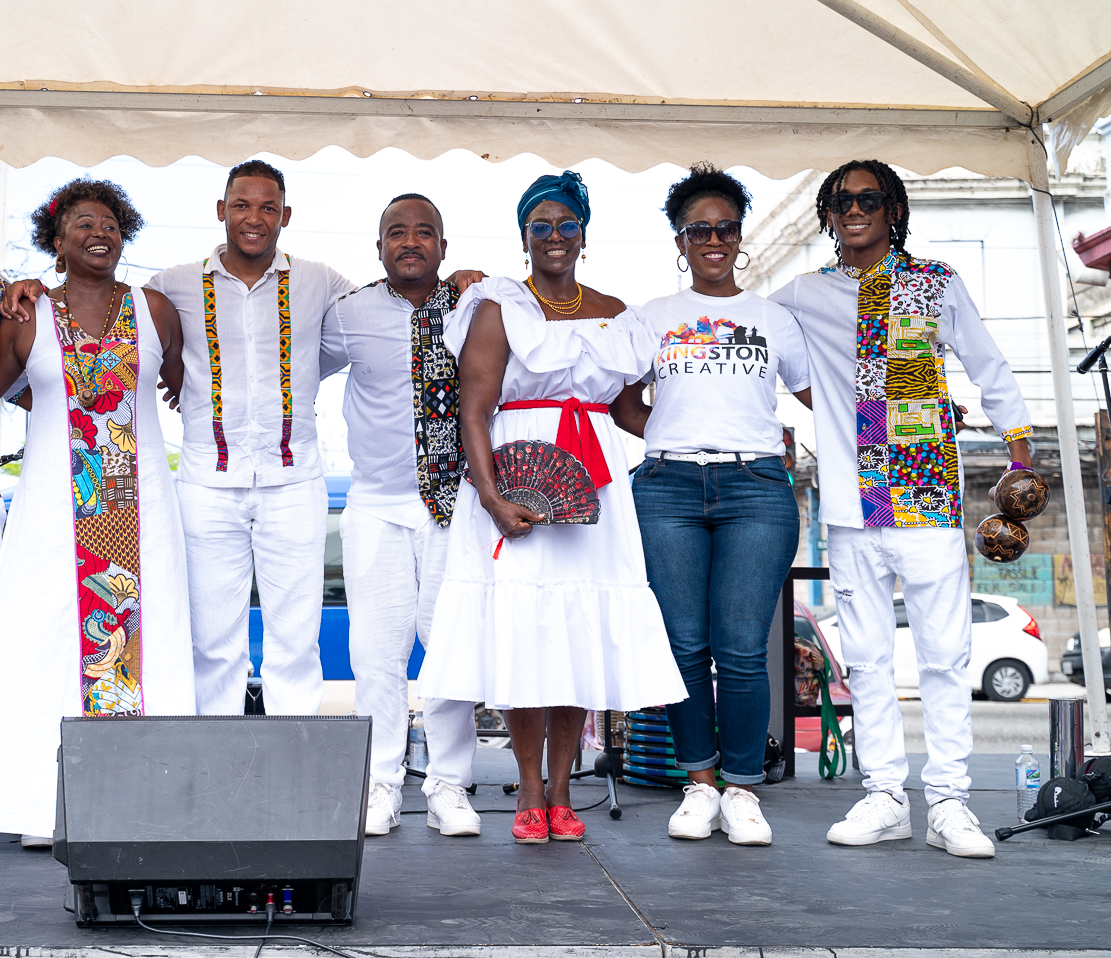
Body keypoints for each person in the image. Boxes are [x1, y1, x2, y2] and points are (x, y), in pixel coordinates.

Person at [5, 161, 353, 716]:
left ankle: (293, 783)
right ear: (221, 211)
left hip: (295, 481)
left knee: (296, 644)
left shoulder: (322, 282)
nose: (254, 218)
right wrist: (33, 287)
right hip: (205, 486)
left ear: (286, 215)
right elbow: (107, 330)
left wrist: (456, 282)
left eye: (268, 207)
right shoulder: (169, 287)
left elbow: (375, 321)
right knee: (211, 645)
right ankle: (213, 781)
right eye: (241, 205)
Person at [769, 159, 1033, 859]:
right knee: (865, 658)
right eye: (838, 199)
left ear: (891, 208)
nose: (851, 208)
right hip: (852, 508)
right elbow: (756, 336)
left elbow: (989, 366)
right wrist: (829, 414)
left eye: (866, 197)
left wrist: (1019, 456)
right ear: (826, 214)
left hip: (925, 497)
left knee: (946, 655)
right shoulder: (802, 293)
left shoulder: (934, 282)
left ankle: (948, 802)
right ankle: (883, 795)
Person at [418, 172, 688, 845]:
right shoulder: (495, 307)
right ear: (523, 237)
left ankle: (563, 792)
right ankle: (528, 792)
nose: (555, 237)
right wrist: (490, 496)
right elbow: (475, 409)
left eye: (566, 224)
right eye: (540, 226)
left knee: (576, 641)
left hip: (592, 483)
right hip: (514, 477)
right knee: (524, 637)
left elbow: (629, 413)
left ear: (584, 234)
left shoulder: (615, 311)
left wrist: (711, 427)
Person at [0, 179, 196, 846]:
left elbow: (177, 386)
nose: (101, 233)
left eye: (113, 224)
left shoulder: (153, 308)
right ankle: (41, 806)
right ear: (57, 240)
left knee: (145, 645)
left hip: (142, 506)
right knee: (45, 642)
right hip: (50, 508)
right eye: (84, 223)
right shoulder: (28, 312)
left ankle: (139, 803)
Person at [613, 164, 813, 846]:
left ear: (739, 236)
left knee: (741, 649)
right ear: (680, 238)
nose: (714, 238)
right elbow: (620, 399)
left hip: (754, 488)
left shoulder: (772, 318)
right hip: (667, 487)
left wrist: (916, 409)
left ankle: (743, 789)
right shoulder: (650, 318)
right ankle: (699, 785)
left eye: (725, 227)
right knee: (682, 646)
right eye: (699, 228)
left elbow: (824, 399)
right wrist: (671, 432)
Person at [319, 194, 480, 838]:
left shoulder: (477, 305)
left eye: (424, 232)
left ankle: (448, 786)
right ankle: (381, 784)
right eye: (396, 233)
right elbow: (295, 368)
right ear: (378, 246)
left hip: (454, 503)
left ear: (443, 246)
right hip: (377, 505)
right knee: (377, 655)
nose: (409, 242)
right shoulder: (347, 314)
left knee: (448, 652)